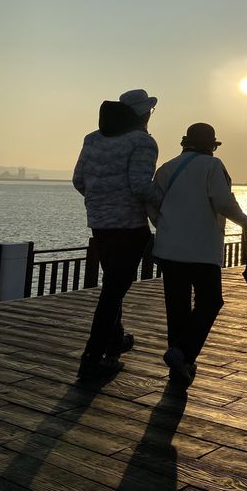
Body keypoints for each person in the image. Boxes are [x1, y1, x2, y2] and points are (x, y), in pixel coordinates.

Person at [152, 122, 247, 387]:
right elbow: (222, 200)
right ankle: (182, 353)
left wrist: (163, 226)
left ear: (185, 143)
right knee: (210, 301)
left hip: (168, 249)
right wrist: (243, 219)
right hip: (202, 250)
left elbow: (152, 204)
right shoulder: (212, 166)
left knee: (177, 309)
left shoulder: (166, 168)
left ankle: (180, 367)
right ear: (211, 146)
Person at [73, 89, 161, 379]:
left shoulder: (92, 139)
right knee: (113, 291)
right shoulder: (142, 142)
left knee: (113, 284)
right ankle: (92, 356)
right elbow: (139, 186)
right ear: (143, 114)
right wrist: (167, 199)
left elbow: (78, 180)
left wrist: (100, 201)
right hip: (130, 227)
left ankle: (115, 341)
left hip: (100, 224)